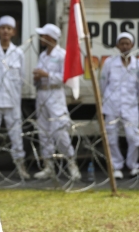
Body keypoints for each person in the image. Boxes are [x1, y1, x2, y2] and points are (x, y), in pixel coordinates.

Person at [0, 16, 30, 179]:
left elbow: (21, 77)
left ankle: (20, 165)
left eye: (9, 28)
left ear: (13, 32)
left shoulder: (18, 53)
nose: (5, 31)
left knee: (16, 135)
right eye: (3, 28)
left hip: (12, 101)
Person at [32, 24, 81, 181]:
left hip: (55, 96)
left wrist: (46, 74)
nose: (41, 39)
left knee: (60, 131)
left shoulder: (62, 55)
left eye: (44, 36)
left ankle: (72, 165)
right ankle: (49, 167)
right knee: (44, 132)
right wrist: (38, 77)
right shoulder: (43, 55)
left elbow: (66, 78)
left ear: (50, 38)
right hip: (42, 95)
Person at [100, 32, 139, 179]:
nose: (125, 46)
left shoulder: (138, 64)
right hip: (111, 105)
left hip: (130, 106)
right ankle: (116, 166)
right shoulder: (109, 63)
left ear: (132, 45)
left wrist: (132, 99)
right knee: (111, 137)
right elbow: (103, 83)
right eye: (122, 43)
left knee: (133, 137)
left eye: (127, 43)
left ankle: (133, 165)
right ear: (117, 46)